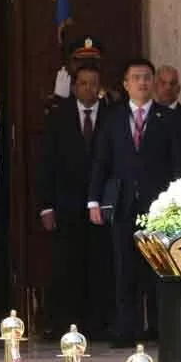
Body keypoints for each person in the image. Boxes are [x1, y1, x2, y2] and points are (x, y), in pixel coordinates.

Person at [88, 58, 181, 346]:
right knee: (123, 267)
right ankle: (125, 328)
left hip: (157, 206)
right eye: (136, 77)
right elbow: (101, 161)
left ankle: (158, 327)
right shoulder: (113, 119)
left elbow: (175, 163)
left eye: (147, 77)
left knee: (157, 267)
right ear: (125, 84)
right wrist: (94, 200)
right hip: (123, 204)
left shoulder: (167, 119)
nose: (142, 82)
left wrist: (176, 201)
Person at [38, 63, 113, 338]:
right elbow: (47, 163)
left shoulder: (112, 115)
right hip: (66, 203)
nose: (88, 88)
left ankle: (98, 324)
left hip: (101, 205)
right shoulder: (59, 117)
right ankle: (63, 324)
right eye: (83, 83)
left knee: (99, 263)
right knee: (66, 265)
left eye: (94, 83)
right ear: (74, 87)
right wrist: (46, 205)